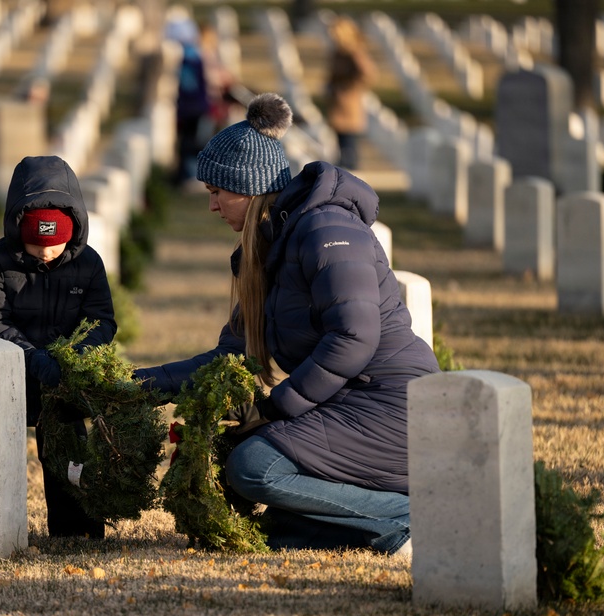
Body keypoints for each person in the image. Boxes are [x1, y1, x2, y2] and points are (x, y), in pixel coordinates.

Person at [133, 93, 439, 556]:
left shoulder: (325, 230)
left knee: (254, 466)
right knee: (279, 526)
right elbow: (230, 358)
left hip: (393, 407)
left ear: (249, 188)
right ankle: (373, 527)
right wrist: (135, 385)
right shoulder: (267, 251)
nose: (212, 206)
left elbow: (354, 336)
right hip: (347, 405)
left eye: (218, 193)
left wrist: (278, 408)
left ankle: (410, 518)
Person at [0, 155, 117, 539]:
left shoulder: (88, 264)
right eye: (37, 246)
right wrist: (31, 356)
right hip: (12, 375)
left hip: (64, 382)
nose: (47, 254)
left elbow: (102, 320)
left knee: (70, 455)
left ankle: (76, 531)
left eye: (56, 245)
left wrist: (76, 355)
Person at [165, 11, 210, 188]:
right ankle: (183, 174)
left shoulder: (187, 56)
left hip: (191, 107)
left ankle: (189, 176)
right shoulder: (193, 53)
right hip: (192, 106)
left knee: (190, 142)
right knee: (186, 141)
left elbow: (188, 84)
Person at [325, 17, 376, 170]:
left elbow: (368, 74)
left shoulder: (354, 53)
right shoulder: (337, 53)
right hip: (337, 103)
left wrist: (348, 87)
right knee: (340, 142)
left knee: (349, 143)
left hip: (348, 104)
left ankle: (351, 174)